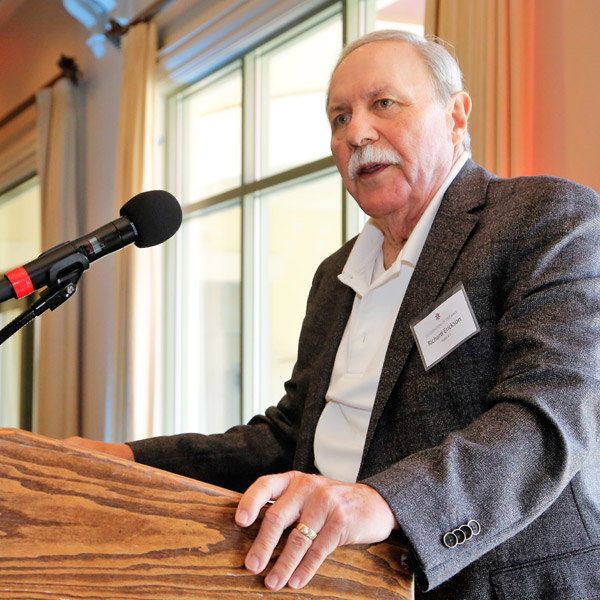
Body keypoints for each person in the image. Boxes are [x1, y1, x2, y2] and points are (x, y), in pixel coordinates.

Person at [67, 30, 600, 599]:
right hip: (341, 581)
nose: (357, 134)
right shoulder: (335, 275)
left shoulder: (545, 216)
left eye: (383, 104)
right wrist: (126, 460)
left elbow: (550, 414)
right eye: (339, 117)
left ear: (456, 114)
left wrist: (386, 501)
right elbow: (289, 437)